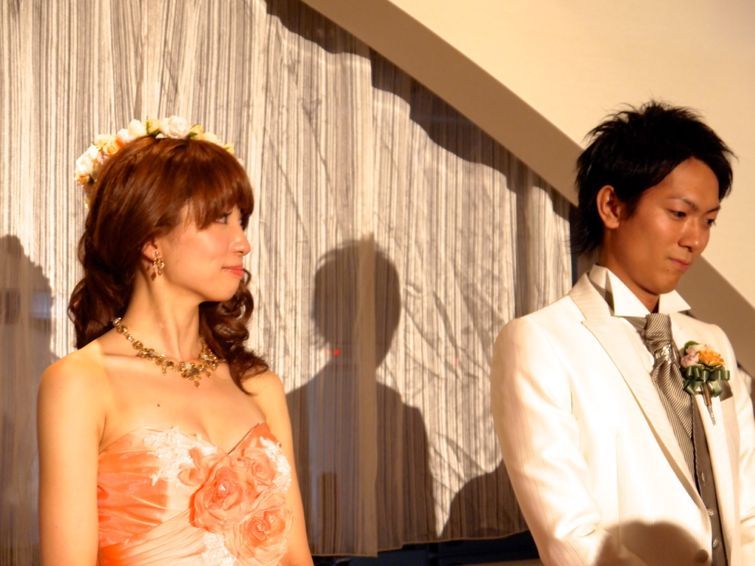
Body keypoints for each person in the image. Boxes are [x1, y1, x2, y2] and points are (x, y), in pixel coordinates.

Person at [38, 117, 313, 565]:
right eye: (219, 220)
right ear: (151, 240)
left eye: (242, 221)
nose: (242, 243)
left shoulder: (257, 385)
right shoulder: (80, 383)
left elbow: (296, 557)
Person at [491, 102, 755, 566]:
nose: (695, 239)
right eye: (679, 213)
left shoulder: (711, 341)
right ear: (612, 207)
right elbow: (571, 536)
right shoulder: (539, 342)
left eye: (708, 220)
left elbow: (747, 503)